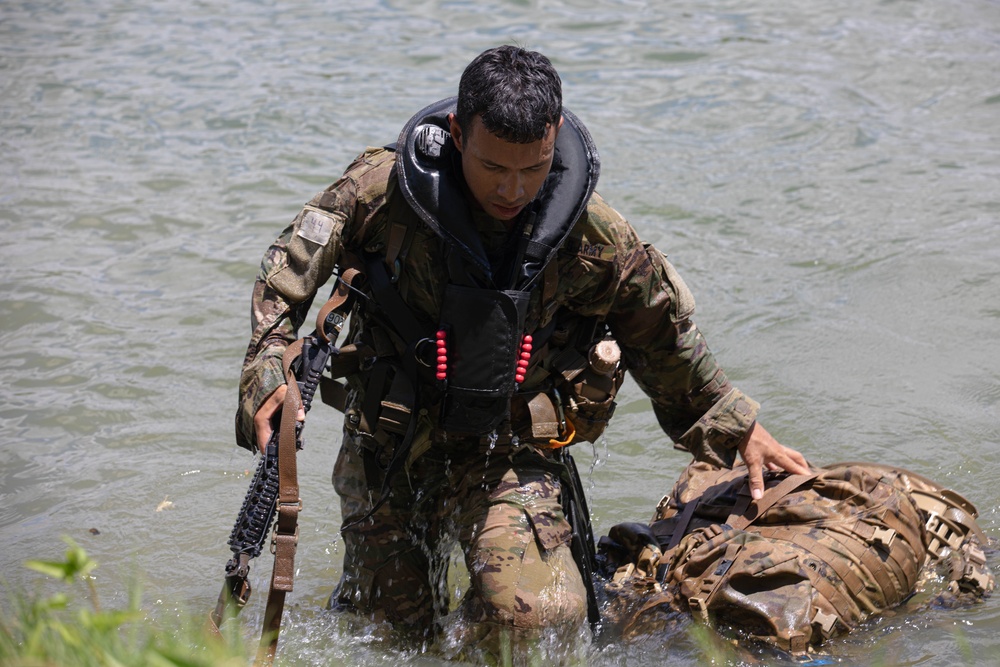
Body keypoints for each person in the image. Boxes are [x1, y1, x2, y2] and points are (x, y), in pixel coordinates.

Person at [234, 45, 810, 656]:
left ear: (554, 135)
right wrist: (267, 372)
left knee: (538, 614)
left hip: (509, 446)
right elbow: (286, 275)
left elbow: (660, 334)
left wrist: (737, 425)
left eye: (533, 168)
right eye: (492, 167)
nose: (512, 189)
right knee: (388, 636)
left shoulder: (591, 233)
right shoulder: (381, 194)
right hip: (388, 443)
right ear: (458, 133)